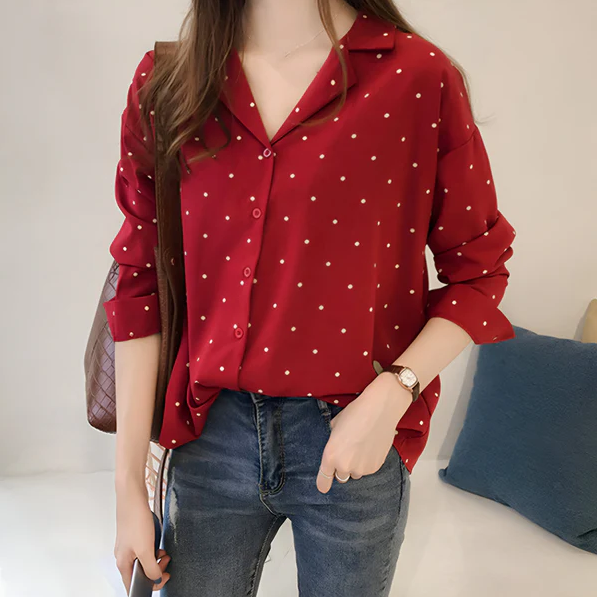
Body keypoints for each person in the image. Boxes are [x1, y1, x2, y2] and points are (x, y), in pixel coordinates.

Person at [106, 0, 517, 595]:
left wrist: (394, 392)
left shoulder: (417, 79)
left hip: (352, 435)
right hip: (208, 434)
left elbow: (479, 271)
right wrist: (128, 489)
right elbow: (139, 284)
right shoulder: (168, 83)